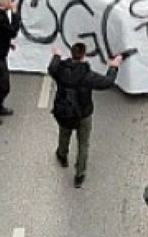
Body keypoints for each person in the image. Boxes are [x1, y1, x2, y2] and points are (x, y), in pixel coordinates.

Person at [48, 43, 122, 187]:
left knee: (64, 134)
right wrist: (113, 66)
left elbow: (51, 68)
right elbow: (107, 82)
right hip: (83, 113)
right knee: (83, 144)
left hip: (64, 112)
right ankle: (79, 174)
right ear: (83, 55)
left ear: (71, 53)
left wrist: (56, 56)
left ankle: (62, 155)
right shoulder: (88, 76)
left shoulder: (60, 70)